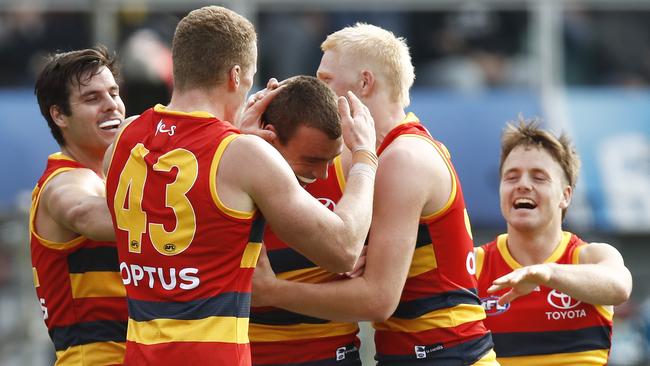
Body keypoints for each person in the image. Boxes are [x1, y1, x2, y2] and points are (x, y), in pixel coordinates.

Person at [103, 6, 378, 365]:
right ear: (235, 76)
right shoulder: (240, 154)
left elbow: (188, 200)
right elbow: (343, 249)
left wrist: (235, 140)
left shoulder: (124, 140)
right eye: (249, 79)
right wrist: (364, 158)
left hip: (140, 354)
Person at [252, 23, 498, 365]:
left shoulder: (403, 158)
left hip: (446, 353)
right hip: (418, 353)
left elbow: (378, 299)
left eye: (325, 80)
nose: (316, 92)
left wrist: (271, 291)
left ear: (365, 83)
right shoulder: (390, 151)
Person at [475, 120, 633, 365]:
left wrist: (546, 273)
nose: (523, 184)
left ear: (566, 196)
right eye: (511, 177)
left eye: (539, 178)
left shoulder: (589, 257)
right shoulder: (475, 264)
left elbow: (619, 286)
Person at [249, 75, 361, 366]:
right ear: (269, 135)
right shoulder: (225, 162)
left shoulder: (351, 167)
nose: (323, 174)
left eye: (331, 158)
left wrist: (273, 291)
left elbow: (380, 298)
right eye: (311, 161)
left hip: (332, 357)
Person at [31, 46, 128, 365]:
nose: (111, 106)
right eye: (92, 99)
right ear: (59, 115)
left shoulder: (113, 177)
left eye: (113, 93)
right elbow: (81, 211)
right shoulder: (63, 182)